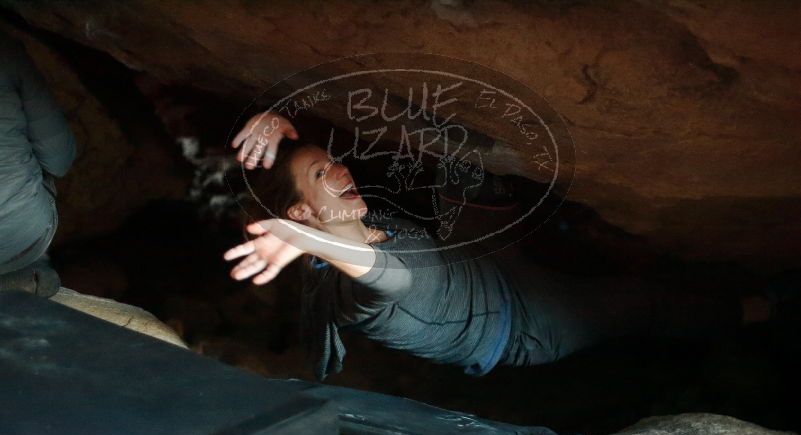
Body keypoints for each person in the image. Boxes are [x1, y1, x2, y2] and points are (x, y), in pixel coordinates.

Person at [224, 112, 781, 381]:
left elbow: (355, 148)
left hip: (475, 256)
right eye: (324, 172)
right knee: (639, 301)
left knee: (460, 160)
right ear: (301, 215)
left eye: (333, 161)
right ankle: (758, 310)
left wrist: (281, 121)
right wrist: (297, 237)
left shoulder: (348, 210)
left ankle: (587, 234)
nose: (341, 169)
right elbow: (391, 279)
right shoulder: (345, 290)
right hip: (521, 324)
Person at [0, 34, 75, 297]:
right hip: (22, 236)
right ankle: (30, 274)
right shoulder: (6, 49)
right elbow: (59, 160)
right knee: (41, 169)